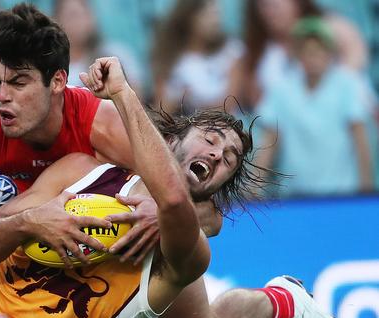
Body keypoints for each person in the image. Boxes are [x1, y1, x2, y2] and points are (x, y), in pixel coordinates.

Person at [0, 4, 348, 318]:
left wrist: (161, 210)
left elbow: (203, 212)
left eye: (21, 82)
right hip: (35, 216)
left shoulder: (104, 127)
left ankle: (281, 303)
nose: (5, 95)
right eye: (0, 82)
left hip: (116, 237)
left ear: (56, 82)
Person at [254, 17, 374, 196]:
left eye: (319, 50)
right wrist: (254, 189)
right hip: (295, 197)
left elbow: (360, 141)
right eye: (307, 51)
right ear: (297, 54)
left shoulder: (347, 85)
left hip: (342, 195)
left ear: (330, 53)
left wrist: (366, 192)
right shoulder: (281, 89)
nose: (313, 57)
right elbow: (270, 143)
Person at [229, 0, 370, 112]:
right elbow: (258, 106)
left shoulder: (332, 27)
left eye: (277, 3)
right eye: (264, 4)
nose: (272, 9)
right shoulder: (255, 53)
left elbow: (355, 65)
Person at [151, 0, 242, 115]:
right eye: (208, 14)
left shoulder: (231, 50)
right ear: (190, 16)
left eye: (217, 14)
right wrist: (178, 98)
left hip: (225, 128)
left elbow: (229, 105)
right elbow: (160, 112)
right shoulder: (170, 58)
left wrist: (189, 101)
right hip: (180, 129)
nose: (216, 21)